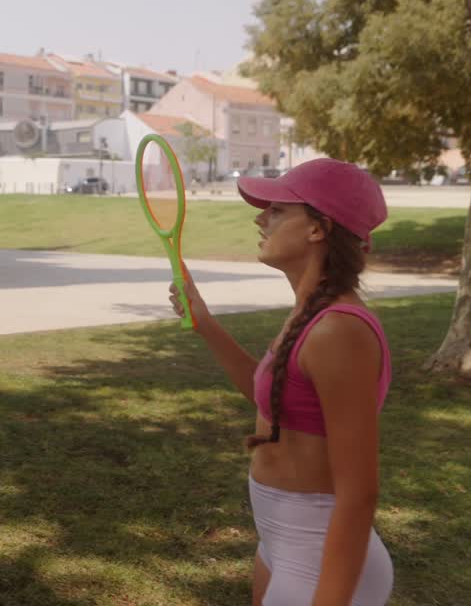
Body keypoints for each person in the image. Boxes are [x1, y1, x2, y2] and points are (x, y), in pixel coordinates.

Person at [169, 158, 395, 606]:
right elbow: (276, 399)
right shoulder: (310, 312)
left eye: (277, 210)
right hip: (281, 541)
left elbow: (358, 492)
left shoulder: (339, 331)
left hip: (320, 555)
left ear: (317, 229)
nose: (261, 217)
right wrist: (205, 324)